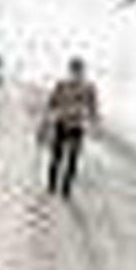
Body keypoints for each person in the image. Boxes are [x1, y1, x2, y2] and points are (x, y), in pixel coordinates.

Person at [41, 57, 99, 198]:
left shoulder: (89, 88)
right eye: (74, 70)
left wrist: (94, 122)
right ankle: (51, 185)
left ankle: (66, 189)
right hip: (61, 124)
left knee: (72, 160)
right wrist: (46, 122)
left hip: (77, 127)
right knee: (56, 156)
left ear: (82, 71)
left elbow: (93, 107)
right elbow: (51, 102)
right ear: (70, 70)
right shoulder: (61, 85)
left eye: (78, 70)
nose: (76, 73)